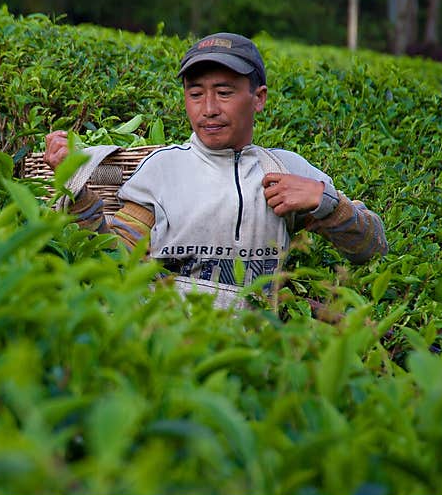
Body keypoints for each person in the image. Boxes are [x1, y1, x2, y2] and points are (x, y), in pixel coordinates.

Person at [43, 32, 388, 309]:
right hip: (167, 338)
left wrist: (324, 202)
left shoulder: (284, 169)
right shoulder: (163, 170)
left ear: (259, 98)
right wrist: (77, 192)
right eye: (195, 94)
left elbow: (370, 248)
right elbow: (113, 260)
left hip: (254, 352)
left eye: (224, 93)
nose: (208, 109)